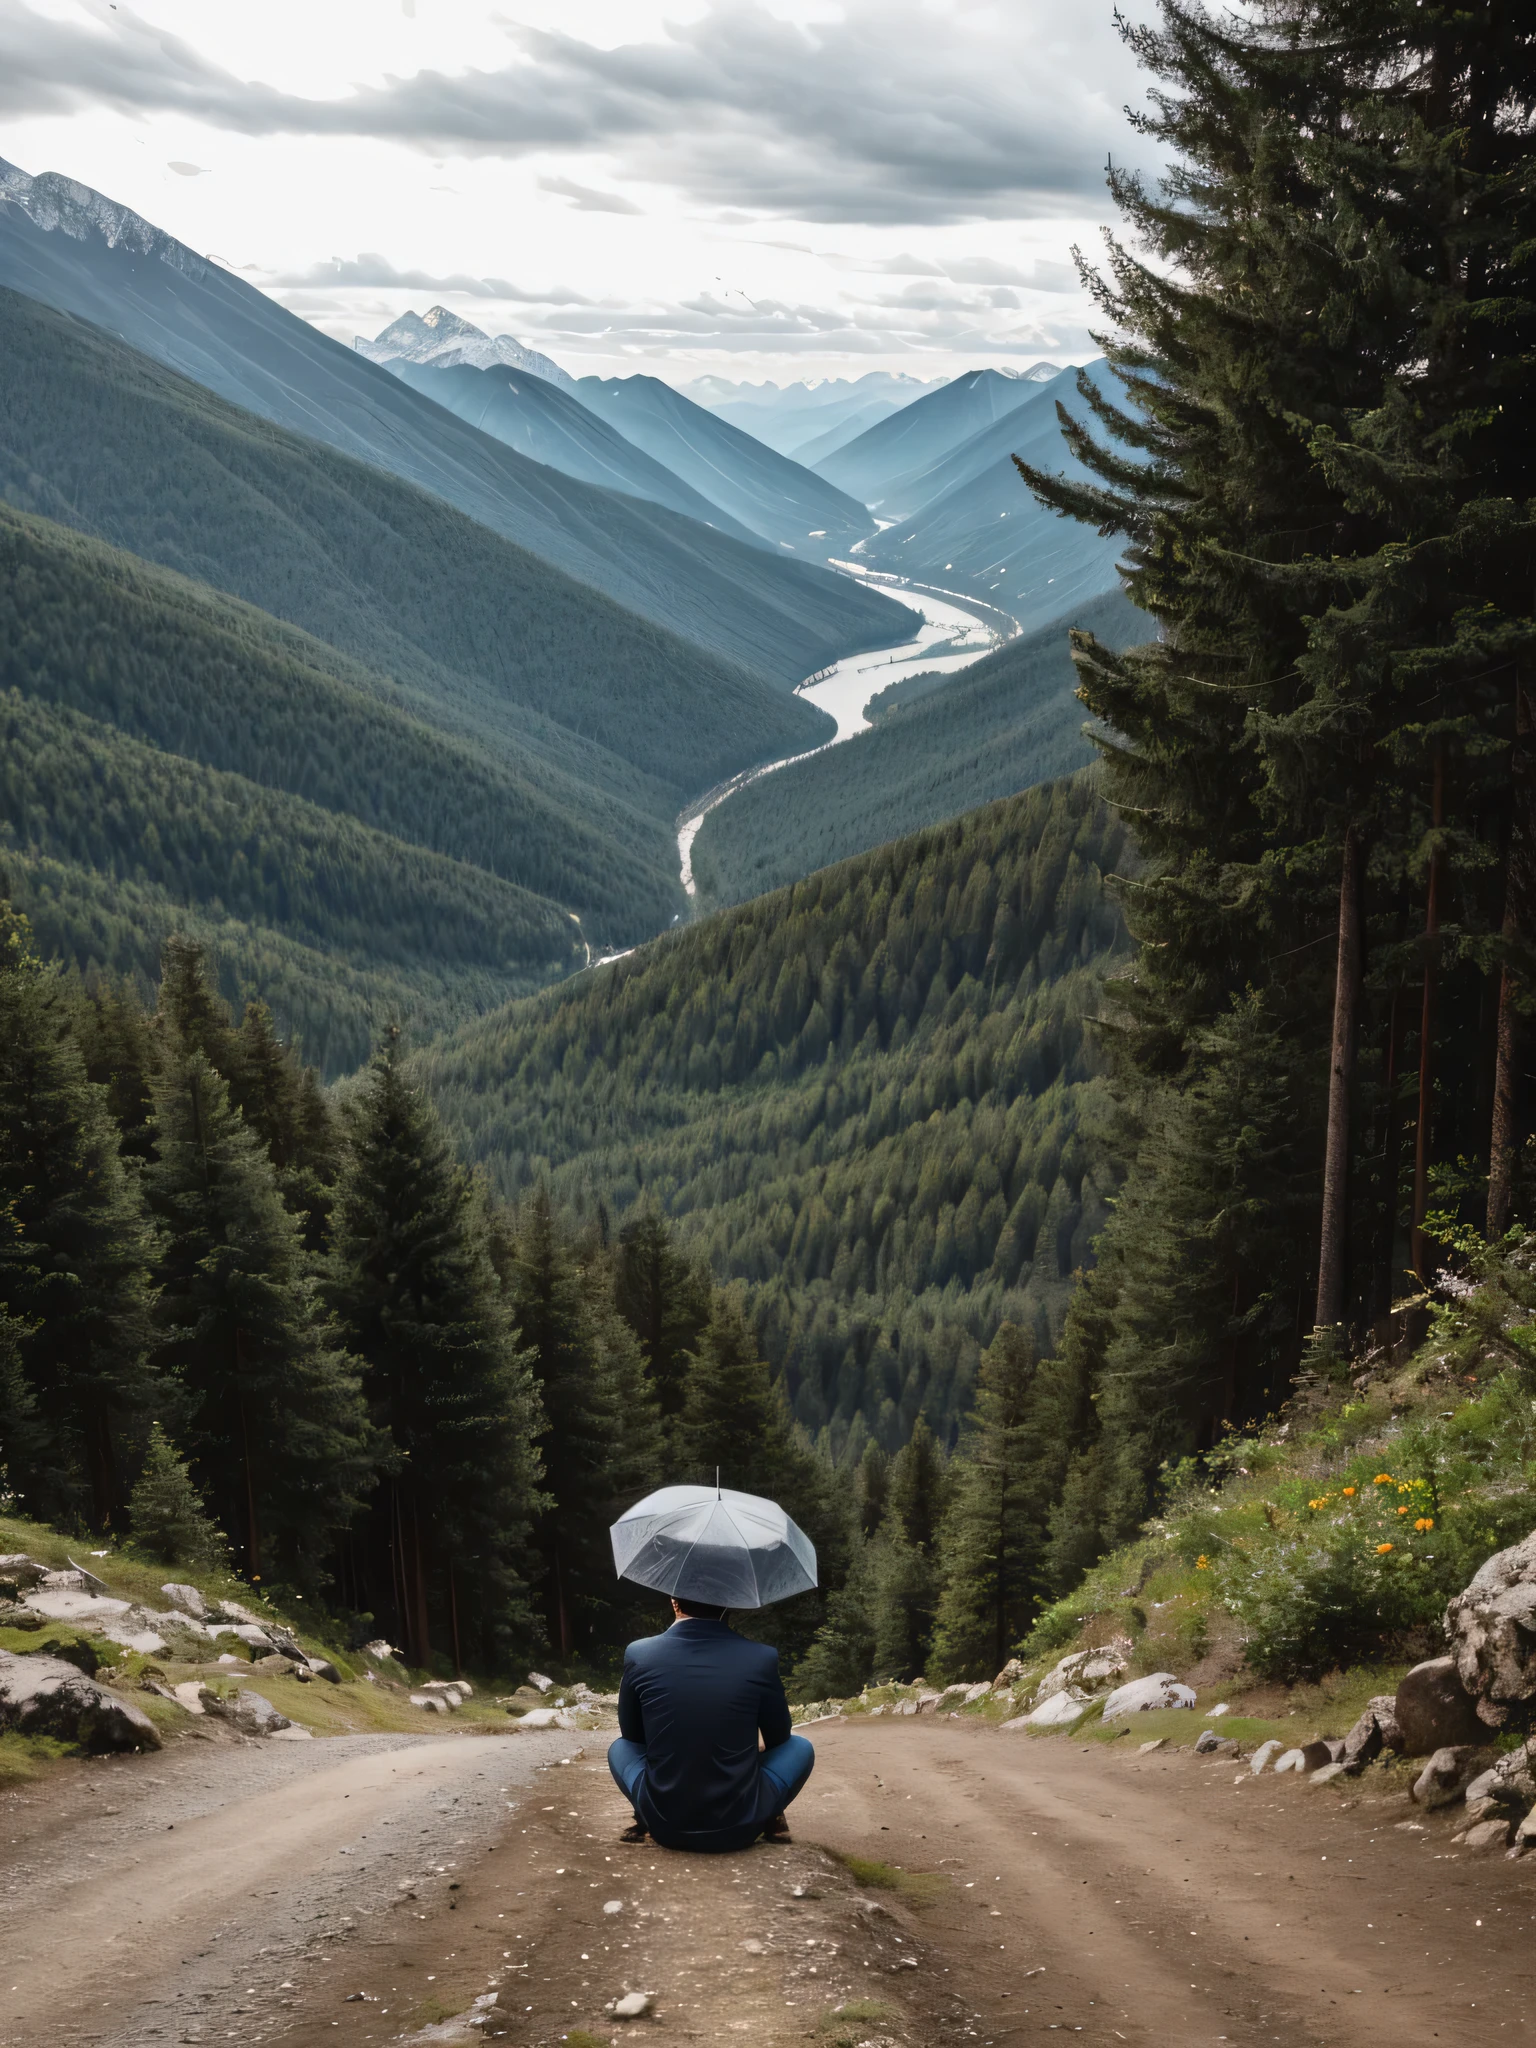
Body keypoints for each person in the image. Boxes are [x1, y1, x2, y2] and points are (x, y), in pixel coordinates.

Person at [607, 1595, 815, 1852]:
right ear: (729, 1606)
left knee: (619, 1747)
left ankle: (646, 1815)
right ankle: (769, 1815)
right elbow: (779, 1737)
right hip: (739, 1831)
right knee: (801, 1747)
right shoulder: (762, 1657)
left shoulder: (639, 1653)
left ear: (674, 1602)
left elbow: (633, 1736)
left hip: (665, 1827)